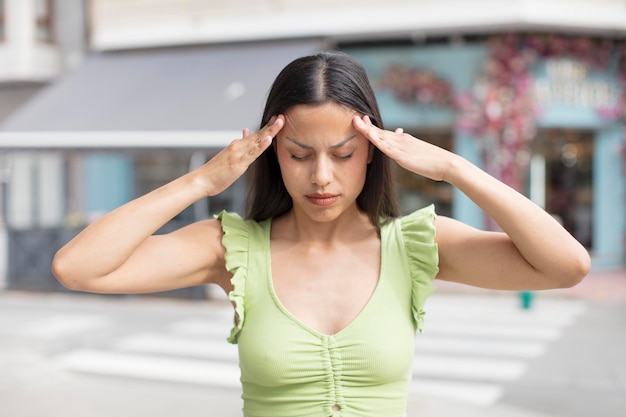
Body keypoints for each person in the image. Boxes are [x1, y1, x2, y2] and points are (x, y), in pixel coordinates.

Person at [52, 51, 590, 417]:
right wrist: (202, 180)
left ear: (373, 152)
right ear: (273, 155)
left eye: (344, 154)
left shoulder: (415, 245)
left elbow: (566, 266)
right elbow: (77, 267)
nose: (322, 177)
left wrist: (453, 168)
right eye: (299, 154)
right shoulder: (233, 248)